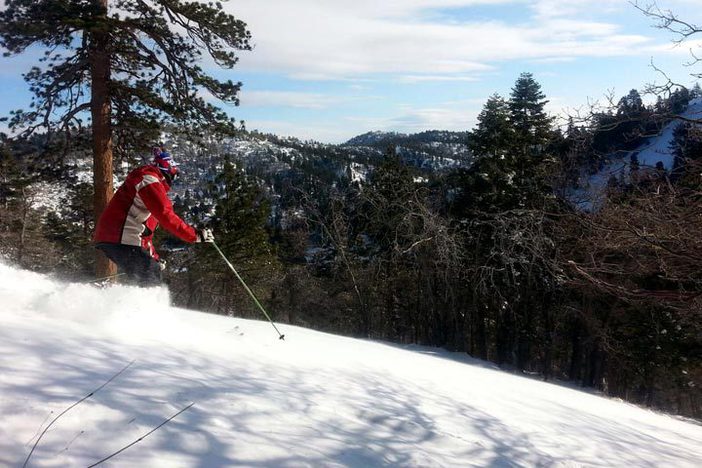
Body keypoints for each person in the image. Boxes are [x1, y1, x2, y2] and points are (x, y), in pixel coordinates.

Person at [93, 147, 213, 286]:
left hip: (118, 237)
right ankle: (146, 306)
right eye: (173, 175)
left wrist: (154, 258)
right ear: (167, 171)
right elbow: (166, 215)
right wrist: (194, 234)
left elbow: (145, 232)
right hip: (119, 236)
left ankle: (117, 301)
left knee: (149, 272)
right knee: (149, 279)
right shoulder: (149, 181)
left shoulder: (149, 183)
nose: (172, 181)